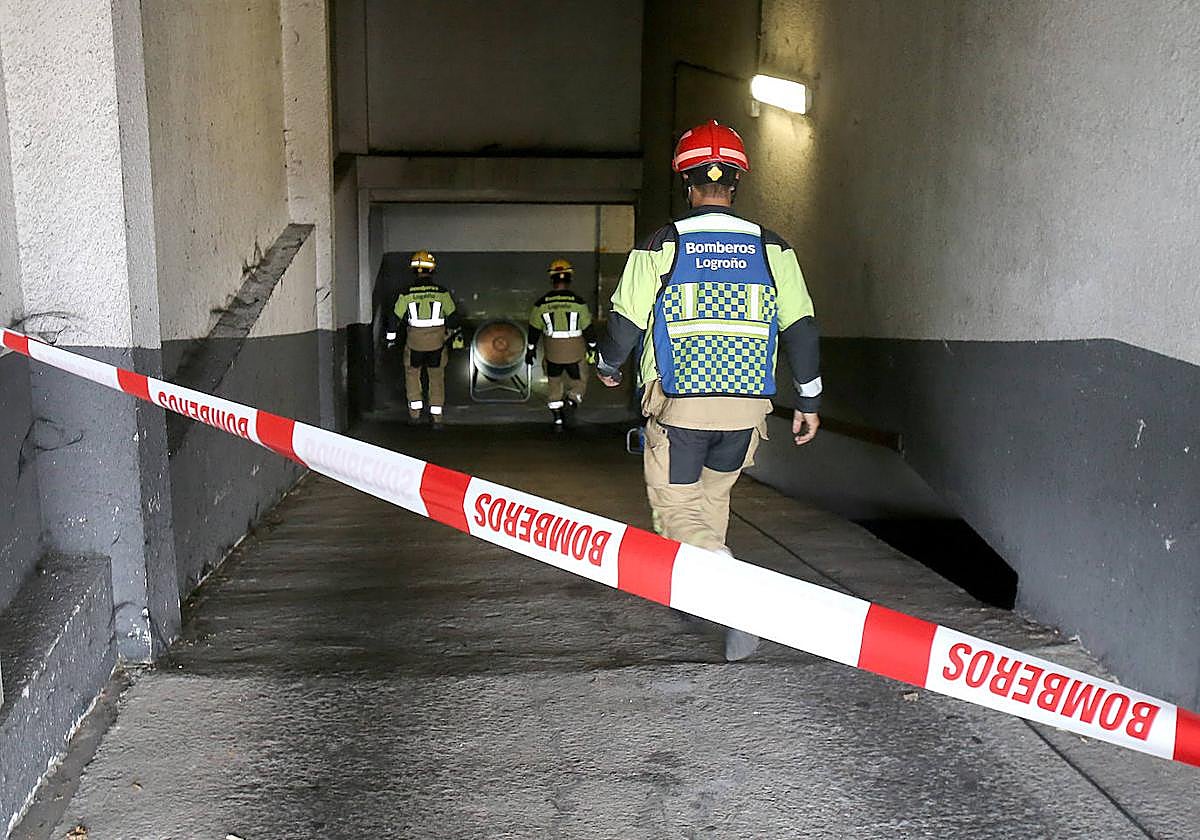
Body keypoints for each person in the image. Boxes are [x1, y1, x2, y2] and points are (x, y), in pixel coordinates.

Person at [596, 119, 822, 661]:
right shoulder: (774, 249)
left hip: (681, 409)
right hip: (746, 413)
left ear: (687, 184)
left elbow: (626, 320)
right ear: (735, 184)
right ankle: (704, 596)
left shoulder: (662, 245)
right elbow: (801, 327)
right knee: (712, 500)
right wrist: (809, 400)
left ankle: (735, 597)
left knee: (676, 509)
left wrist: (608, 364)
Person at [384, 250, 461, 427]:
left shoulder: (406, 293)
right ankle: (437, 417)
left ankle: (415, 414)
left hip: (414, 344)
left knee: (412, 375)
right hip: (437, 345)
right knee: (436, 377)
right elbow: (454, 318)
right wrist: (451, 336)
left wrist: (390, 340)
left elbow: (394, 319)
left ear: (414, 271)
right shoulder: (442, 293)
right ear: (432, 270)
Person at [525, 258, 597, 429]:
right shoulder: (579, 303)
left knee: (554, 382)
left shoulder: (540, 304)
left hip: (552, 354)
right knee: (580, 379)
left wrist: (530, 350)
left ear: (552, 279)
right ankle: (573, 400)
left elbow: (534, 330)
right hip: (575, 353)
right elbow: (588, 330)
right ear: (569, 279)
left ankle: (557, 416)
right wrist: (593, 348)